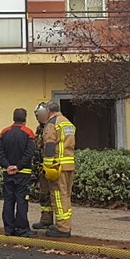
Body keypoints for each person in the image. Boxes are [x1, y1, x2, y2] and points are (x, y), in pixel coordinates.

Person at [0, 108, 36, 237]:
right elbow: (29, 153)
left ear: (13, 118)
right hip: (23, 173)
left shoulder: (4, 132)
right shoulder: (29, 133)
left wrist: (7, 166)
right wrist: (18, 166)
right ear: (25, 118)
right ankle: (22, 228)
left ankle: (9, 228)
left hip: (8, 173)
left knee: (8, 200)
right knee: (22, 201)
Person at [40, 102, 76, 238]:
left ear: (48, 111)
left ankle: (62, 228)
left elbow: (49, 145)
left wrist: (48, 166)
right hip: (69, 165)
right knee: (66, 196)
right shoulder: (67, 123)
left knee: (59, 197)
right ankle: (65, 224)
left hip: (57, 166)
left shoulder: (52, 124)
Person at [31, 103, 53, 231]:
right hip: (42, 167)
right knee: (44, 194)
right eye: (38, 115)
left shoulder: (51, 128)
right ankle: (46, 220)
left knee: (55, 195)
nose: (40, 117)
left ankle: (60, 223)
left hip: (52, 167)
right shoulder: (40, 129)